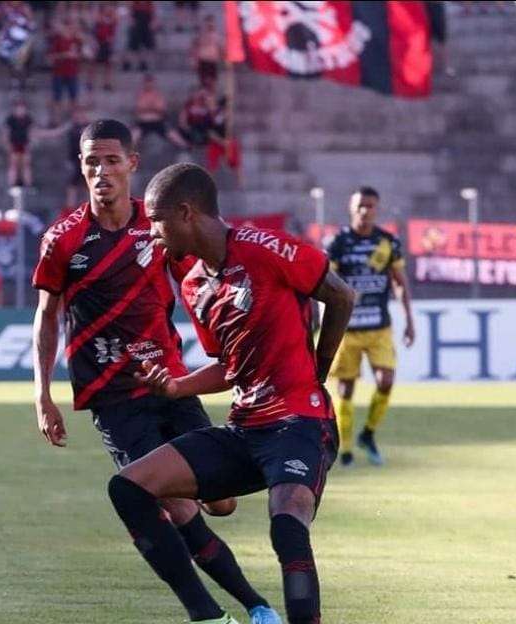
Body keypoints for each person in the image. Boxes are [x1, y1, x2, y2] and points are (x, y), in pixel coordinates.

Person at [32, 121, 281, 624]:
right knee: (171, 501)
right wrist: (42, 394)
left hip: (172, 383)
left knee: (221, 503)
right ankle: (242, 610)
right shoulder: (64, 240)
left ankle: (247, 607)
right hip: (113, 396)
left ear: (132, 164)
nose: (100, 171)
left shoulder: (161, 224)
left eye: (110, 161)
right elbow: (48, 315)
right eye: (91, 162)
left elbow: (207, 273)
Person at [124, 163, 356, 624]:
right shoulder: (193, 285)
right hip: (244, 428)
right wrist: (176, 386)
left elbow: (342, 295)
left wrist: (320, 369)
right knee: (129, 487)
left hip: (299, 421)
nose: (151, 232)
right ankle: (206, 615)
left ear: (186, 213)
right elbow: (231, 367)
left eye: (155, 219)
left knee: (287, 524)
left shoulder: (266, 248)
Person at [327, 187, 414, 466]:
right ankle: (347, 447)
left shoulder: (387, 242)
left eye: (371, 206)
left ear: (377, 208)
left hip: (379, 327)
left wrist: (410, 320)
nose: (365, 211)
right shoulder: (338, 242)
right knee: (345, 390)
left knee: (385, 381)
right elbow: (326, 284)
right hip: (347, 329)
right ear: (351, 208)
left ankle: (368, 434)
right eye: (361, 205)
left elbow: (399, 282)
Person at [132, 74, 188, 150]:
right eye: (147, 83)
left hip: (158, 122)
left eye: (150, 82)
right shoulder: (140, 95)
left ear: (153, 83)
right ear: (144, 83)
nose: (148, 85)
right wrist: (151, 106)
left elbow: (161, 109)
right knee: (134, 135)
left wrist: (148, 107)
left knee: (171, 133)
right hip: (143, 122)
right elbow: (139, 109)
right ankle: (127, 151)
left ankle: (185, 146)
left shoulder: (158, 95)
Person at [47, 18, 83, 126]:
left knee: (74, 98)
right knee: (57, 98)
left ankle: (75, 120)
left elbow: (83, 55)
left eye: (72, 28)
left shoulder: (77, 41)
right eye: (68, 28)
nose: (70, 30)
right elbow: (50, 57)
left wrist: (78, 55)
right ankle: (55, 120)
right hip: (59, 73)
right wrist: (64, 55)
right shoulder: (57, 41)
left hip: (72, 73)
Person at [3, 99, 34, 187]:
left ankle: (28, 185)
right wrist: (7, 144)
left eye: (22, 108)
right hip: (14, 145)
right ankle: (11, 184)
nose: (20, 110)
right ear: (15, 109)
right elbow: (6, 132)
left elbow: (31, 132)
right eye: (18, 108)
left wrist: (30, 144)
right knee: (13, 166)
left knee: (26, 166)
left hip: (24, 145)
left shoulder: (28, 119)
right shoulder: (10, 119)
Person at [189, 15, 221, 86]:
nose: (210, 26)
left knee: (212, 81)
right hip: (203, 60)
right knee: (204, 81)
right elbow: (194, 49)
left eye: (211, 24)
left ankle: (211, 95)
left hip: (213, 61)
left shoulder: (216, 36)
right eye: (208, 24)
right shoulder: (200, 36)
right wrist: (194, 61)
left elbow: (220, 48)